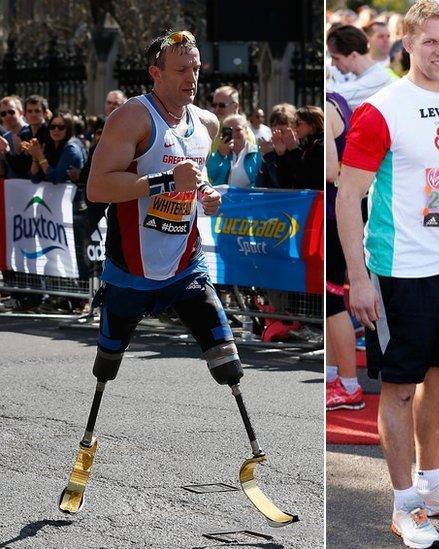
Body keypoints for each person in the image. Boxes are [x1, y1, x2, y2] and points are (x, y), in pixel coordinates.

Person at [66, 29, 290, 520]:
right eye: (181, 70)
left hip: (186, 268)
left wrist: (205, 196)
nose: (192, 79)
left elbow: (197, 179)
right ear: (156, 73)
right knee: (106, 367)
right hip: (130, 274)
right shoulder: (131, 117)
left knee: (228, 361)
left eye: (196, 69)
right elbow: (98, 188)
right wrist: (167, 180)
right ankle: (84, 451)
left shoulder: (206, 121)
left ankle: (253, 458)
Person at [336, 2, 439, 546]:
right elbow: (347, 195)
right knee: (398, 388)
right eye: (430, 43)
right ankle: (404, 506)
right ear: (407, 47)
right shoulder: (381, 109)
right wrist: (358, 276)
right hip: (397, 272)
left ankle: (433, 483)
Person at [326, 92, 362, 411]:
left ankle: (349, 384)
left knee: (334, 302)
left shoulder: (328, 105)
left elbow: (326, 172)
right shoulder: (338, 100)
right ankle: (334, 376)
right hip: (337, 212)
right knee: (332, 299)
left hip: (331, 213)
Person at [327, 24, 395, 110]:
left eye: (336, 58)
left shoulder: (376, 79)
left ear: (353, 56)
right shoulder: (359, 74)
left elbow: (332, 94)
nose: (333, 64)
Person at [29, 111, 86, 184]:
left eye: (61, 127)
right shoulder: (49, 145)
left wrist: (40, 156)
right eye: (52, 127)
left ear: (68, 129)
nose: (56, 130)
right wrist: (35, 157)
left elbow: (55, 178)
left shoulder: (72, 149)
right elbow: (35, 179)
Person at [206, 113, 261, 188]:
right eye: (229, 130)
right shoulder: (220, 152)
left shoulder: (257, 153)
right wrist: (220, 155)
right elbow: (210, 174)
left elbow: (261, 180)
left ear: (246, 131)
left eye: (238, 130)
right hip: (223, 197)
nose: (234, 133)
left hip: (248, 197)